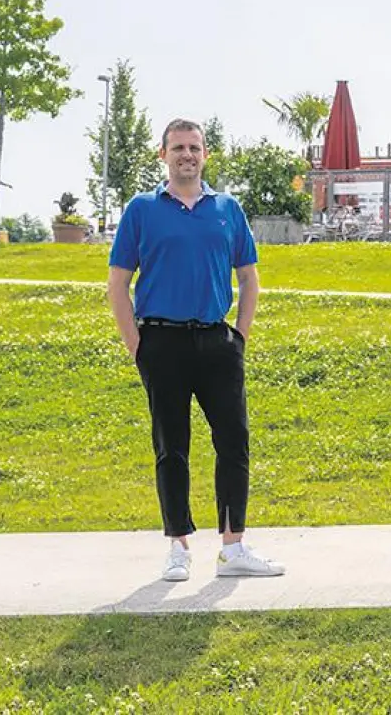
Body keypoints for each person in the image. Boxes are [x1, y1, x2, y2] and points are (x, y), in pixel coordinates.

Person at [107, 118, 285, 582]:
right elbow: (117, 283)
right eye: (178, 147)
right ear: (163, 154)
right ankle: (178, 547)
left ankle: (233, 547)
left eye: (194, 147)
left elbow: (248, 277)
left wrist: (239, 336)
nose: (187, 154)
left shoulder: (227, 209)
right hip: (160, 342)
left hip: (216, 341)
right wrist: (136, 346)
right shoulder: (142, 209)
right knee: (172, 447)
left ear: (205, 154)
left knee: (233, 443)